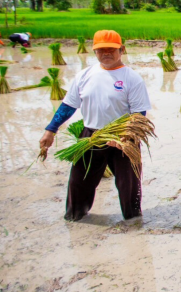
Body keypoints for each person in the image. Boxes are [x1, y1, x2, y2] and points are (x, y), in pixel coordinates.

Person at [38, 30, 152, 221]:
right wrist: (51, 129)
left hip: (123, 137)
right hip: (91, 135)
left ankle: (133, 221)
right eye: (101, 50)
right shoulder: (84, 75)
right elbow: (68, 106)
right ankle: (75, 217)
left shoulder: (132, 78)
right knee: (79, 181)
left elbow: (139, 114)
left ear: (121, 49)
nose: (106, 53)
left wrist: (127, 137)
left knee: (129, 184)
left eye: (111, 49)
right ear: (94, 51)